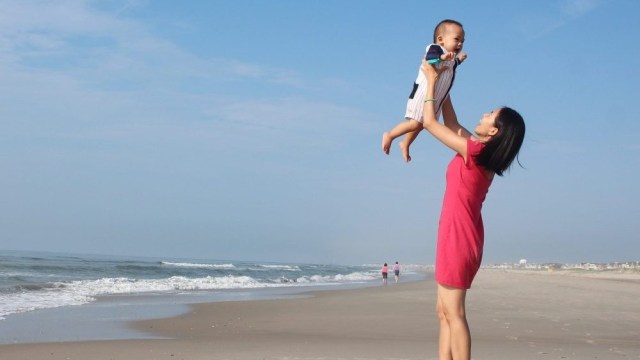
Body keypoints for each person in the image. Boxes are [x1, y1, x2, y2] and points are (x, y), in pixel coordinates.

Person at [420, 59, 525, 360]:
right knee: (443, 312)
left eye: (491, 114)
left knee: (454, 313)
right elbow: (451, 123)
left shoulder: (477, 152)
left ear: (494, 132)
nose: (483, 114)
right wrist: (445, 79)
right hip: (454, 234)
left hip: (460, 238)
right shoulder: (477, 151)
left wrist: (430, 81)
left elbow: (431, 123)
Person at [382, 19, 467, 162]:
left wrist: (459, 60)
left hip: (435, 97)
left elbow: (451, 66)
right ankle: (390, 135)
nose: (460, 44)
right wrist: (442, 57)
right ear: (440, 39)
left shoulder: (450, 57)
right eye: (456, 39)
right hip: (423, 93)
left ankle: (405, 143)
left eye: (462, 41)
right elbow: (431, 59)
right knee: (415, 123)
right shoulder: (435, 48)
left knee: (421, 124)